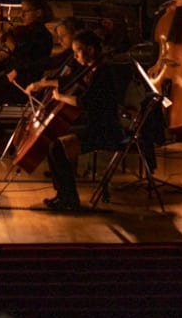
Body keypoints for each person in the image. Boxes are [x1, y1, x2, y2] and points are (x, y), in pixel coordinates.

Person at [30, 28, 120, 213]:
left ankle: (70, 198)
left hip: (103, 129)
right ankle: (63, 195)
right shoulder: (91, 69)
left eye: (78, 51)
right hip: (93, 123)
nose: (76, 56)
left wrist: (60, 97)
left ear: (91, 50)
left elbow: (84, 102)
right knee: (52, 142)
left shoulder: (102, 72)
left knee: (57, 146)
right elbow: (75, 85)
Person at [0, 0, 57, 152]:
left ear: (38, 13)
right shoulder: (24, 33)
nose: (22, 16)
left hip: (24, 84)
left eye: (25, 12)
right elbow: (11, 59)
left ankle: (0, 138)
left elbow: (28, 63)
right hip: (9, 80)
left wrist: (12, 45)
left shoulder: (43, 36)